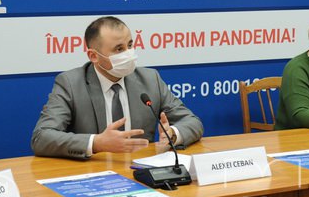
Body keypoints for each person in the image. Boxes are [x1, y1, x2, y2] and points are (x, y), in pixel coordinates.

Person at [31, 16, 203, 158]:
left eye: (130, 45)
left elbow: (192, 122)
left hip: (142, 172)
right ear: (94, 56)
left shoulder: (150, 80)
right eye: (119, 49)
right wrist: (96, 143)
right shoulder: (70, 84)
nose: (128, 54)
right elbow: (41, 137)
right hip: (92, 174)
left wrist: (172, 133)